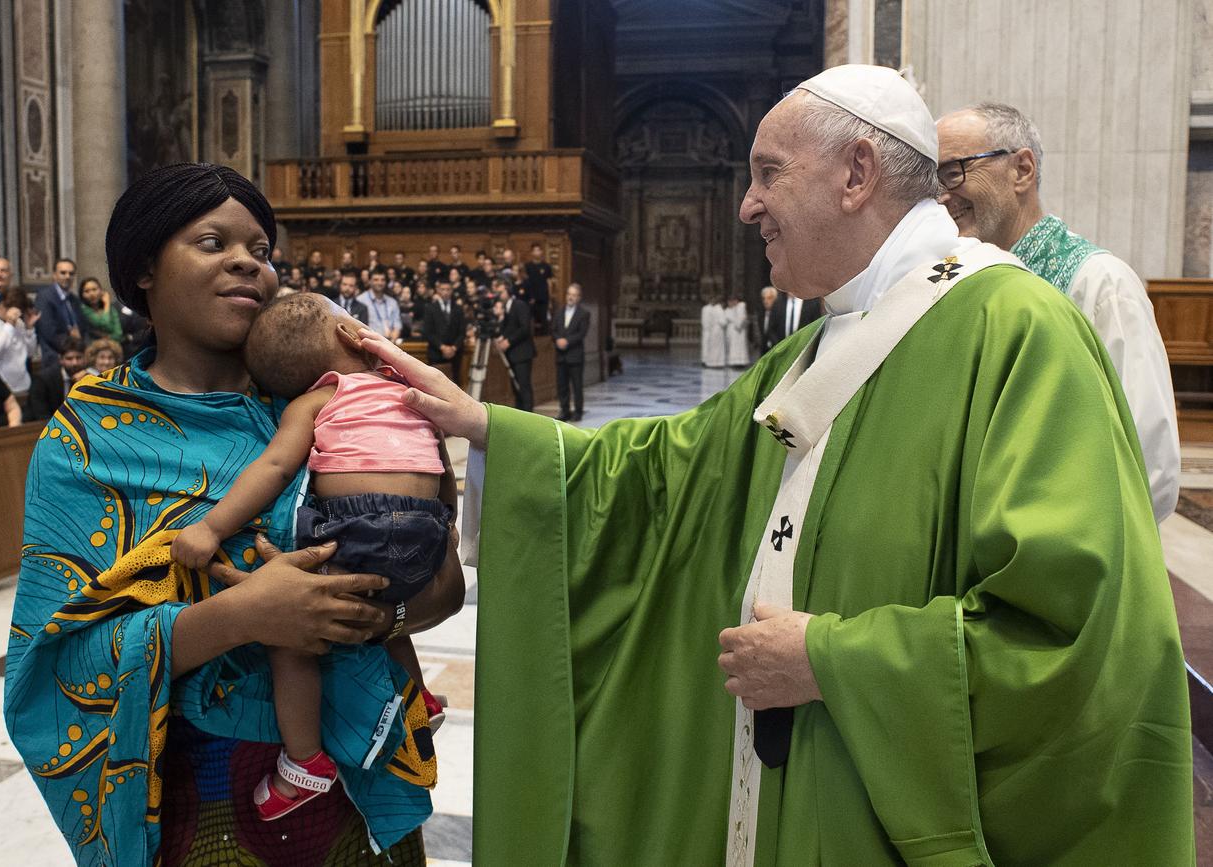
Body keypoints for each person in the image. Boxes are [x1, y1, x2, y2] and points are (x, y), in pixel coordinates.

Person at [355, 65, 1194, 865]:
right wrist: (490, 428)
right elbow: (664, 471)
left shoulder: (1018, 331)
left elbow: (1080, 635)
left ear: (856, 172)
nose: (747, 203)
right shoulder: (818, 345)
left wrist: (831, 658)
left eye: (768, 172)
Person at [4, 163, 463, 866]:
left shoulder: (337, 407)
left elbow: (446, 582)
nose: (249, 261)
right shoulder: (88, 440)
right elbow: (56, 663)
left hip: (362, 778)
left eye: (261, 249)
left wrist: (371, 618)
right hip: (204, 795)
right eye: (213, 242)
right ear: (144, 269)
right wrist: (243, 616)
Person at [172, 293, 455, 819]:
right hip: (426, 532)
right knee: (388, 614)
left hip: (359, 527)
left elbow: (276, 467)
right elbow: (439, 458)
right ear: (350, 335)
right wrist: (445, 526)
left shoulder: (318, 399)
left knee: (292, 629)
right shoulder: (405, 388)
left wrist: (211, 528)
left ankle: (303, 761)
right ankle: (419, 699)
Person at [935, 102, 1181, 522]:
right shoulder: (951, 279)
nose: (941, 195)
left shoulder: (1101, 285)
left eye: (954, 171)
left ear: (1022, 170)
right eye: (933, 179)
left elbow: (1148, 465)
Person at [494, 277, 534, 411]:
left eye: (501, 292)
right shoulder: (505, 308)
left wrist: (509, 341)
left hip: (522, 353)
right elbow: (508, 329)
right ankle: (520, 413)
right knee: (515, 388)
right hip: (511, 354)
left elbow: (525, 328)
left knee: (523, 386)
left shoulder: (519, 305)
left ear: (508, 291)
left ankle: (528, 415)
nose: (498, 295)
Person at [551, 283, 589, 421]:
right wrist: (557, 339)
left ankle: (578, 411)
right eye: (569, 294)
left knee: (577, 385)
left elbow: (581, 333)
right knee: (562, 385)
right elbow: (553, 330)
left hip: (575, 355)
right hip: (561, 355)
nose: (570, 297)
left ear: (579, 297)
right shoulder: (559, 312)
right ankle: (564, 410)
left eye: (574, 295)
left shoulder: (584, 314)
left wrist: (567, 341)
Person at [35, 258, 83, 364]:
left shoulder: (74, 300)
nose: (67, 276)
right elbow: (48, 332)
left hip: (77, 358)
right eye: (63, 273)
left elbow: (82, 328)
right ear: (54, 275)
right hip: (54, 356)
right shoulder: (44, 297)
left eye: (71, 273)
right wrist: (73, 343)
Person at [27, 336, 86, 422]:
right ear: (61, 359)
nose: (75, 363)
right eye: (69, 359)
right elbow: (41, 414)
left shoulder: (88, 377)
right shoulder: (43, 379)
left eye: (78, 358)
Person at [425, 280, 465, 386]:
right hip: (436, 353)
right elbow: (428, 332)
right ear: (438, 290)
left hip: (455, 355)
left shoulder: (458, 309)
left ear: (452, 291)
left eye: (448, 289)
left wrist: (453, 348)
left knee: (455, 386)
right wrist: (442, 347)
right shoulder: (430, 308)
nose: (445, 292)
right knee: (435, 386)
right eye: (443, 289)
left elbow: (462, 332)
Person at [76, 276, 124, 343]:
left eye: (94, 289)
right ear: (82, 294)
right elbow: (105, 323)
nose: (91, 294)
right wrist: (107, 304)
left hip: (115, 345)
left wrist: (107, 337)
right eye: (87, 291)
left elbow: (119, 334)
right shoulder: (83, 310)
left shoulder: (111, 308)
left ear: (101, 291)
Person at [364, 271, 403, 344]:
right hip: (370, 343)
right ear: (369, 281)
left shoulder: (392, 302)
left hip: (391, 343)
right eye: (376, 280)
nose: (380, 283)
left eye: (382, 280)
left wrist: (391, 341)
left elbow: (397, 325)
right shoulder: (361, 301)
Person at [524, 242, 554, 331]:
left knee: (544, 323)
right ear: (532, 253)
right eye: (535, 250)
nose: (537, 252)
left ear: (541, 252)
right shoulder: (527, 266)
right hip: (531, 299)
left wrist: (550, 300)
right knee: (530, 323)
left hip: (543, 298)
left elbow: (549, 283)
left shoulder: (546, 266)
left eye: (538, 250)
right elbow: (525, 282)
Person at [724, 293, 750, 367]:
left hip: (739, 330)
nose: (731, 303)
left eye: (732, 301)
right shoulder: (728, 310)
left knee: (739, 347)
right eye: (729, 301)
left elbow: (742, 318)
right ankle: (734, 362)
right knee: (733, 347)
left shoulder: (740, 306)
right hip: (732, 331)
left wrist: (738, 324)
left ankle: (741, 362)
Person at [700, 295, 726, 367]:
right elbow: (722, 321)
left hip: (711, 330)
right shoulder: (715, 309)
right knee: (710, 346)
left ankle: (709, 361)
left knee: (711, 347)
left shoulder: (712, 308)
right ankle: (708, 361)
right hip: (712, 330)